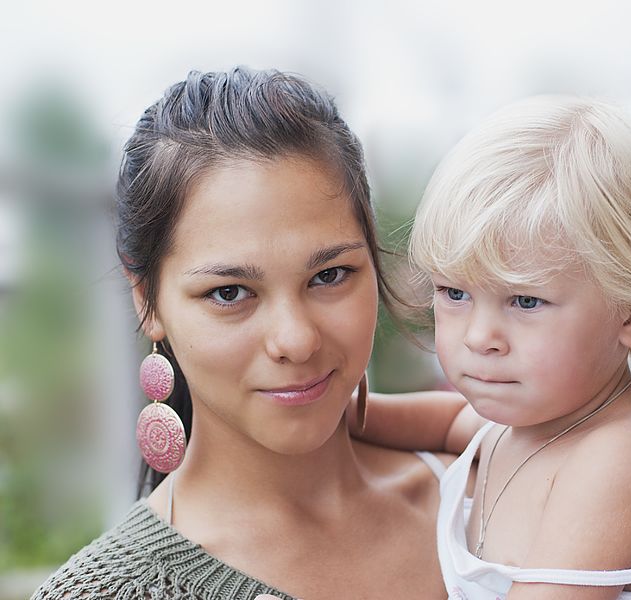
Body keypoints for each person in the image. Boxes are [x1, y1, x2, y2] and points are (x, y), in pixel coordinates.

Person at [31, 67, 468, 599]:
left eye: (329, 276)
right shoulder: (109, 592)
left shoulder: (500, 498)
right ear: (147, 299)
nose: (296, 339)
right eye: (230, 293)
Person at [397, 95, 631, 599]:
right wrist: (339, 417)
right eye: (455, 293)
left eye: (525, 301)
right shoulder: (514, 427)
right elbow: (442, 421)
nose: (479, 337)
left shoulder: (625, 457)